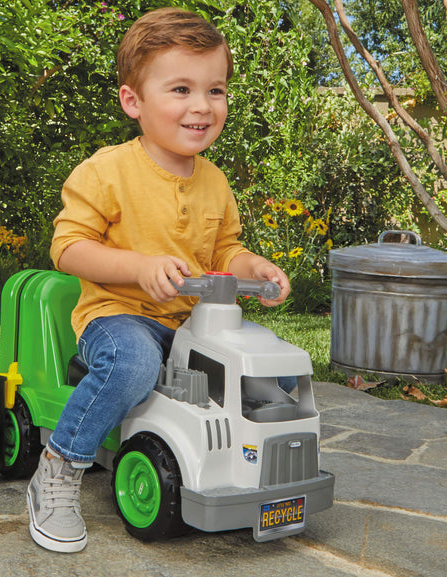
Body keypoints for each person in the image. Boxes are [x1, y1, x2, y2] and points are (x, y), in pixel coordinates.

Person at [26, 7, 291, 554]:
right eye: (180, 89)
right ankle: (60, 465)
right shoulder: (106, 171)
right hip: (119, 319)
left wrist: (255, 268)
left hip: (193, 325)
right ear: (134, 102)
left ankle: (255, 471)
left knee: (262, 370)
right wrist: (139, 267)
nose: (201, 106)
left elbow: (225, 252)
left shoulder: (215, 182)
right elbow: (68, 248)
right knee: (135, 365)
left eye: (214, 90)